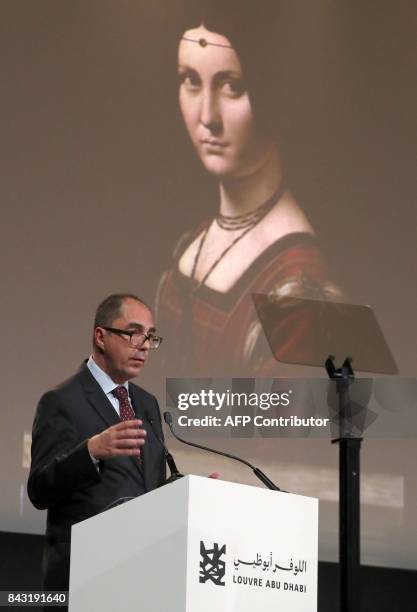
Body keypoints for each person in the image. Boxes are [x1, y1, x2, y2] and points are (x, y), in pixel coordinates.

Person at [156, 0, 339, 379]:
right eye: (191, 80)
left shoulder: (298, 286)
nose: (207, 117)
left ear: (271, 89)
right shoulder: (194, 242)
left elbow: (288, 433)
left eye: (231, 86)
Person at [27, 294, 166, 599]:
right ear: (101, 336)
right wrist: (90, 451)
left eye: (150, 336)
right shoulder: (62, 401)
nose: (144, 345)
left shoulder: (146, 404)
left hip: (142, 573)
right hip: (83, 574)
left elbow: (149, 487)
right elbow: (39, 488)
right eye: (134, 333)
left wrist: (190, 493)